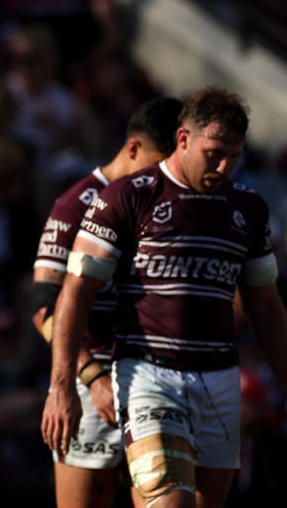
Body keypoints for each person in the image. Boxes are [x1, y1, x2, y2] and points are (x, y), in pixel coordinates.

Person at [41, 85, 287, 508]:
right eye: (214, 153)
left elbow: (265, 305)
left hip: (220, 379)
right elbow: (71, 294)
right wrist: (66, 383)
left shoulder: (249, 209)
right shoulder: (126, 196)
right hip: (148, 375)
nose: (225, 166)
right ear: (183, 139)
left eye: (235, 155)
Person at [32, 96, 182, 508]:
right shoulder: (75, 204)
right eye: (157, 166)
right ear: (132, 148)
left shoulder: (168, 204)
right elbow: (44, 307)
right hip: (89, 383)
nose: (163, 179)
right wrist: (91, 376)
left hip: (154, 383)